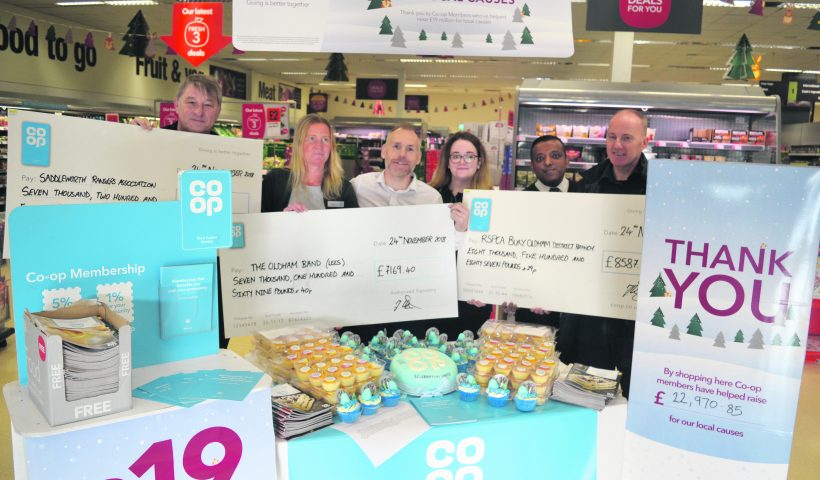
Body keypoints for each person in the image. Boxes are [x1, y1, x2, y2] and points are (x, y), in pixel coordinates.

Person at [558, 109, 649, 399]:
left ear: (644, 141)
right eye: (612, 137)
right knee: (586, 390)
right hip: (590, 313)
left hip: (635, 313)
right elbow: (567, 239)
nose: (617, 145)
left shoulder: (658, 186)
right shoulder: (586, 184)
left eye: (627, 138)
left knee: (633, 392)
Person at [426, 131, 494, 337]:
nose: (462, 161)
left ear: (479, 162)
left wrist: (488, 288)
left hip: (472, 300)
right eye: (456, 156)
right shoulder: (430, 196)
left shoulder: (492, 200)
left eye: (469, 156)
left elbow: (496, 252)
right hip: (432, 296)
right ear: (447, 162)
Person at [512, 134, 577, 328]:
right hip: (532, 305)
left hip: (577, 307)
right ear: (532, 166)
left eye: (555, 156)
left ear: (567, 160)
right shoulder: (519, 203)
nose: (548, 162)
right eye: (540, 158)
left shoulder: (588, 194)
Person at [262, 114, 358, 212]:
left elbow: (354, 221)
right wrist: (283, 217)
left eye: (325, 139)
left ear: (331, 147)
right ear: (299, 144)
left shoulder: (343, 189)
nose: (319, 146)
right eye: (312, 138)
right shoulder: (274, 181)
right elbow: (259, 219)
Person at [350, 124, 443, 207]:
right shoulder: (358, 186)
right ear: (384, 151)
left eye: (410, 149)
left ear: (418, 157)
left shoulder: (432, 200)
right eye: (396, 146)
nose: (402, 155)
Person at [131, 74, 222, 134]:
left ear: (218, 110)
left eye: (208, 105)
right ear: (176, 105)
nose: (199, 112)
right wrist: (130, 135)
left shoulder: (226, 151)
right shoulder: (155, 140)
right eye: (192, 102)